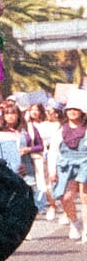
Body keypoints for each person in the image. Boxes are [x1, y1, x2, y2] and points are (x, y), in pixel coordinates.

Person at [52, 100, 87, 242]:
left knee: (85, 198)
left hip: (85, 164)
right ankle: (74, 222)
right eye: (70, 109)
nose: (72, 112)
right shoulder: (60, 130)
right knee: (65, 197)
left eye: (76, 109)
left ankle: (86, 230)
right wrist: (52, 170)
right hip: (66, 165)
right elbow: (53, 151)